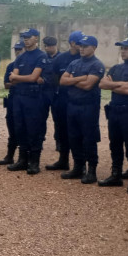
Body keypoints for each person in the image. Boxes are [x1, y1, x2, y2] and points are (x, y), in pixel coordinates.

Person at [98, 37, 128, 193]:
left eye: (127, 48)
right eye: (122, 48)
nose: (123, 51)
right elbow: (101, 84)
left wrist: (112, 86)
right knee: (115, 145)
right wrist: (121, 85)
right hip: (115, 111)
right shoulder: (115, 68)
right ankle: (116, 175)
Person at [59, 34, 105, 184]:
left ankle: (91, 170)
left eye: (85, 46)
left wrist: (72, 80)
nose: (82, 49)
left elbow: (88, 85)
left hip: (88, 106)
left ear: (94, 47)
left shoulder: (97, 65)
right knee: (74, 137)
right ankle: (78, 167)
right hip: (72, 105)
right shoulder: (74, 63)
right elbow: (62, 81)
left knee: (89, 138)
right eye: (81, 46)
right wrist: (80, 78)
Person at [8, 28, 48, 174]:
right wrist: (26, 78)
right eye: (24, 37)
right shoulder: (20, 57)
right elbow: (13, 80)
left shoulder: (41, 56)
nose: (26, 39)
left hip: (34, 98)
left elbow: (32, 77)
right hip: (19, 96)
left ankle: (34, 162)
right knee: (20, 128)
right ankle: (22, 160)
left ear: (36, 38)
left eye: (28, 37)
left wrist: (19, 78)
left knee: (34, 129)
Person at [46, 31, 83, 171]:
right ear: (72, 43)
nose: (82, 46)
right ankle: (63, 160)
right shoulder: (61, 59)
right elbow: (55, 78)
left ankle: (80, 164)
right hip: (61, 100)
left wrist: (69, 82)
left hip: (78, 100)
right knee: (62, 131)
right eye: (80, 43)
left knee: (78, 132)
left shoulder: (85, 58)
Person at [0, 41, 25, 165]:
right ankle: (10, 156)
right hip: (12, 100)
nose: (17, 52)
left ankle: (24, 158)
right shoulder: (11, 66)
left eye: (20, 49)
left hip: (25, 100)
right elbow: (6, 84)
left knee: (24, 129)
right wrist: (23, 81)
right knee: (12, 128)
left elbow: (33, 81)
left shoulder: (29, 66)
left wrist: (16, 80)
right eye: (16, 50)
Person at [40, 36, 60, 151]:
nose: (47, 48)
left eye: (50, 46)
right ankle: (40, 139)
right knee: (41, 117)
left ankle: (59, 141)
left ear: (54, 46)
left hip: (57, 91)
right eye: (46, 46)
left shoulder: (61, 58)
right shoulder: (42, 58)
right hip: (44, 91)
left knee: (57, 118)